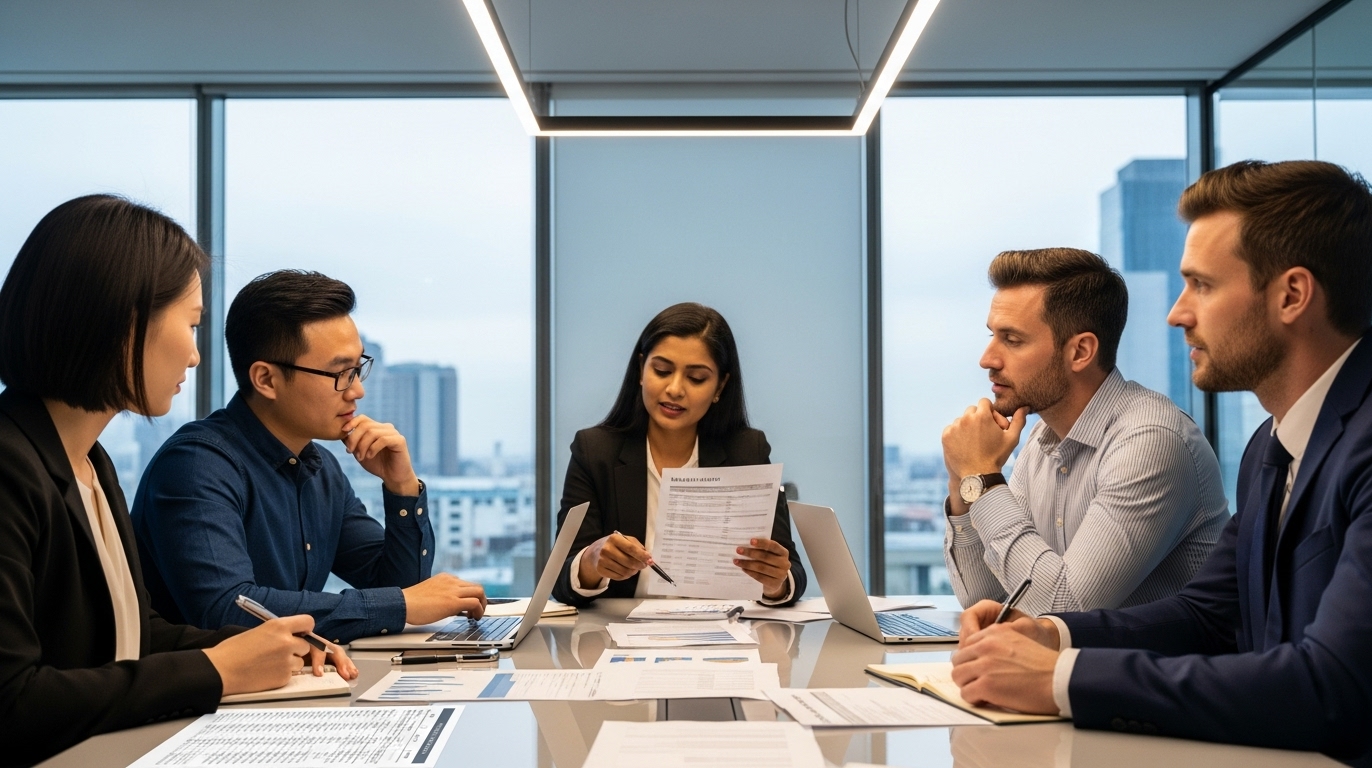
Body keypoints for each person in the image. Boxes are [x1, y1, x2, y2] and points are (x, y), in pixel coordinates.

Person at [949, 160, 1372, 766]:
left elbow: (1333, 685)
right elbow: (1211, 616)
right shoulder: (1272, 443)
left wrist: (1061, 679)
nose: (1176, 313)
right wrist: (1053, 635)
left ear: (1292, 295)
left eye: (1203, 285)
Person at [0, 196, 356, 765]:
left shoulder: (90, 462)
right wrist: (215, 669)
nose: (194, 356)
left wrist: (263, 647)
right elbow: (11, 703)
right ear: (122, 321)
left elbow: (132, 635)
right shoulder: (10, 466)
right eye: (190, 324)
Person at [131, 270, 485, 644]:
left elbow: (402, 589)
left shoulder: (319, 468)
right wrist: (398, 604)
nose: (358, 391)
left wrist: (402, 487)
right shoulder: (197, 466)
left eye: (358, 368)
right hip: (214, 699)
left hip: (289, 688)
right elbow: (227, 610)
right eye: (341, 373)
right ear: (266, 379)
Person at [940, 248, 1228, 613]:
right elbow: (991, 602)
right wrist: (963, 481)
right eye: (992, 336)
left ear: (1080, 352)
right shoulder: (1042, 438)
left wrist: (982, 475)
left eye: (1012, 340)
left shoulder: (1151, 441)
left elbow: (1063, 610)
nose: (988, 359)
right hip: (1078, 668)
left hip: (1155, 669)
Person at [551, 302, 807, 606]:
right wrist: (592, 562)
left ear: (719, 386)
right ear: (641, 370)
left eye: (696, 378)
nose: (674, 389)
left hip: (725, 638)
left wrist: (775, 581)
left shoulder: (746, 451)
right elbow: (561, 579)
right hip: (619, 639)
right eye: (662, 370)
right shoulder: (595, 451)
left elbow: (791, 574)